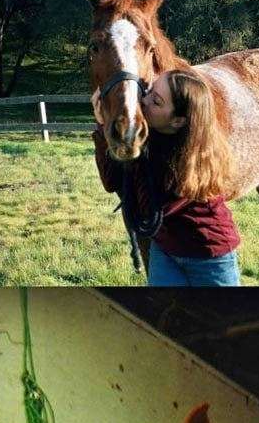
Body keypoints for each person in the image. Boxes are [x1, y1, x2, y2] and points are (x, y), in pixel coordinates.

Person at [93, 81, 242, 290]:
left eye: (156, 101)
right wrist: (103, 125)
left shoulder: (190, 159)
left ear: (178, 121)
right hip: (164, 249)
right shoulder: (152, 135)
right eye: (149, 91)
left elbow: (149, 210)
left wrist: (133, 154)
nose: (143, 101)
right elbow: (111, 182)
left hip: (208, 255)